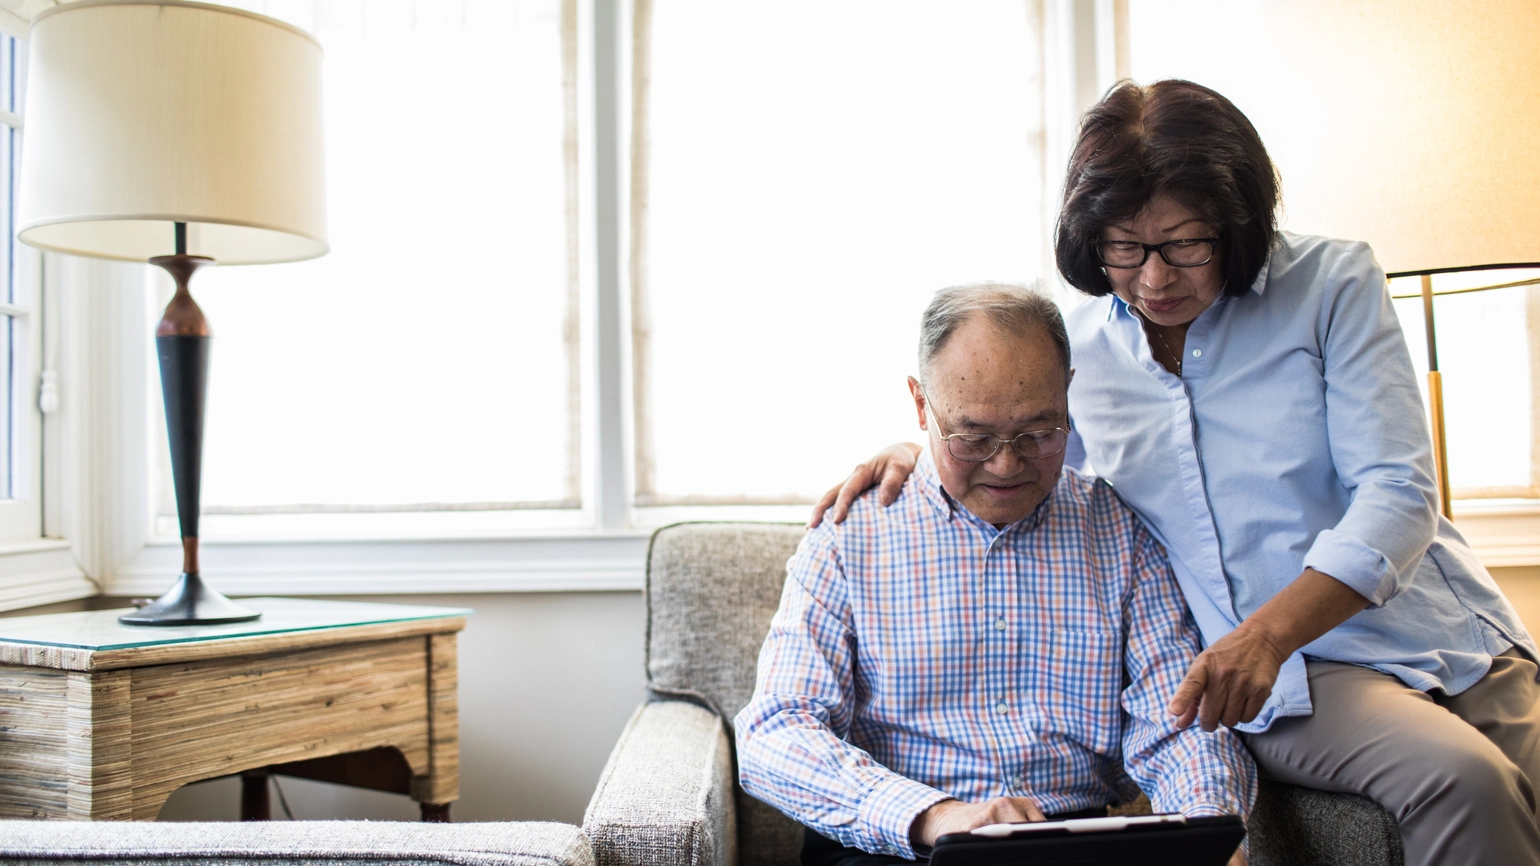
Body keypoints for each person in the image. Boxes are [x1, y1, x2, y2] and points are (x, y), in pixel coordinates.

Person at [810, 80, 1540, 866]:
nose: (1154, 278)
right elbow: (1024, 462)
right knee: (1465, 780)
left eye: (1186, 243)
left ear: (1240, 223)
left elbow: (1398, 493)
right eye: (1125, 248)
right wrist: (924, 450)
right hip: (1292, 677)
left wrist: (1264, 634)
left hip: (1431, 626)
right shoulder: (1079, 345)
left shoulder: (1331, 285)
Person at [738, 283, 1256, 866]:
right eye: (974, 438)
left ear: (1068, 394)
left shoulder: (1119, 533)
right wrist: (936, 816)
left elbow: (1178, 724)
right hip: (897, 843)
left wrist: (1213, 827)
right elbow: (775, 733)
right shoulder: (849, 536)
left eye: (1038, 434)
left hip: (1071, 843)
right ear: (919, 405)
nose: (1007, 465)